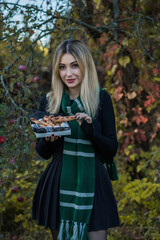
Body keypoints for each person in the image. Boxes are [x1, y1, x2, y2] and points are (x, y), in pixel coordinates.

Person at [32, 39, 120, 240]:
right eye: (62, 67)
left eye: (74, 65)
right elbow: (42, 152)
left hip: (93, 183)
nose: (68, 73)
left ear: (85, 66)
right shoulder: (50, 101)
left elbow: (111, 149)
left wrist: (90, 130)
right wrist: (49, 139)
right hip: (58, 183)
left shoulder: (101, 99)